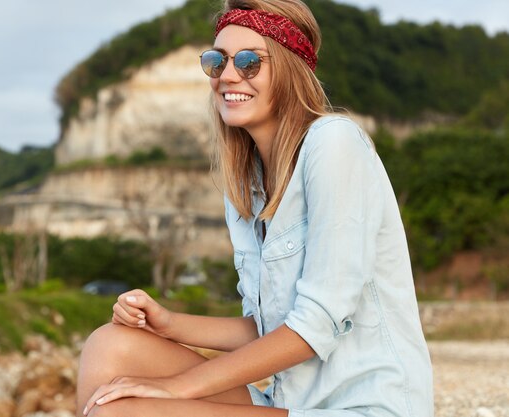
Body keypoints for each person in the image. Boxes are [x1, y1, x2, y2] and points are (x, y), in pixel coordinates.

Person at [76, 0, 434, 416]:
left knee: (121, 412)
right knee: (110, 345)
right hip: (292, 403)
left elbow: (317, 325)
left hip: (366, 407)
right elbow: (268, 329)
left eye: (249, 62)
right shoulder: (247, 184)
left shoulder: (334, 143)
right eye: (217, 61)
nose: (227, 75)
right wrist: (170, 324)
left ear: (288, 67)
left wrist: (179, 388)